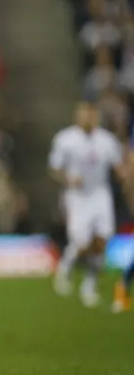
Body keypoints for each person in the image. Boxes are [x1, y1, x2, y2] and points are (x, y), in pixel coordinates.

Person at [50, 101, 125, 308]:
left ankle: (89, 286)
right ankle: (64, 269)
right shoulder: (65, 139)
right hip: (77, 195)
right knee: (81, 242)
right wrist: (68, 178)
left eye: (91, 115)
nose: (88, 119)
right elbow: (55, 168)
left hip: (100, 193)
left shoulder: (107, 140)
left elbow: (119, 167)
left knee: (102, 241)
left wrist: (125, 177)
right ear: (77, 117)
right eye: (84, 115)